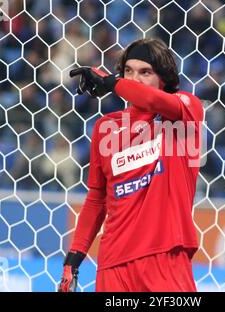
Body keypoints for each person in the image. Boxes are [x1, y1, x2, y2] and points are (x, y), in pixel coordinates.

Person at [58, 38, 204, 292]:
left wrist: (113, 83)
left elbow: (154, 101)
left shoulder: (185, 111)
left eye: (145, 72)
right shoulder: (106, 127)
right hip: (113, 264)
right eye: (128, 71)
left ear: (165, 78)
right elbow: (97, 198)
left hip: (165, 258)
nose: (134, 79)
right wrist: (74, 257)